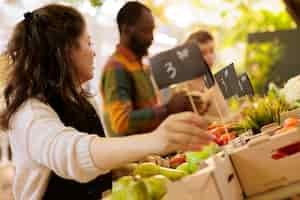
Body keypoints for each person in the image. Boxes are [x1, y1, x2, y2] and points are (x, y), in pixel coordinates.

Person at [0, 4, 213, 200]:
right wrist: (156, 139)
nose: (93, 52)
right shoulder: (30, 112)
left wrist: (127, 167)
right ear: (64, 51)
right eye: (88, 43)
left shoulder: (80, 100)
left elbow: (92, 168)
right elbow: (71, 156)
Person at [100, 1, 198, 137]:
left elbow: (152, 116)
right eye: (146, 31)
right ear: (126, 30)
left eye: (152, 31)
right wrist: (168, 109)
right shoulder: (116, 67)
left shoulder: (143, 67)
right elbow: (121, 123)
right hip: (137, 156)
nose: (151, 38)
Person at [173, 30, 229, 120]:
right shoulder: (184, 88)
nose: (209, 56)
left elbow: (225, 115)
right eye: (203, 53)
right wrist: (231, 119)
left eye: (211, 51)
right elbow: (191, 122)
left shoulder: (217, 82)